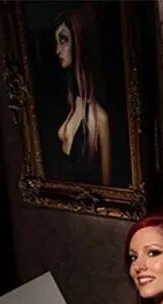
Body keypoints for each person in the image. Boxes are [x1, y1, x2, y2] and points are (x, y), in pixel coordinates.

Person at [54, 9, 111, 185]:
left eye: (63, 40)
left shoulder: (99, 118)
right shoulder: (70, 103)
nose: (57, 50)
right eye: (57, 42)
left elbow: (107, 185)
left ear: (79, 42)